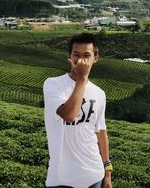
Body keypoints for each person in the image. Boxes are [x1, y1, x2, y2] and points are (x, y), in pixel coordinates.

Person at [43, 32, 112, 188]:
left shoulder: (99, 93)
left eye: (87, 55)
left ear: (96, 58)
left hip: (94, 176)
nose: (81, 60)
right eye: (76, 55)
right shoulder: (53, 85)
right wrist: (82, 79)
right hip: (61, 179)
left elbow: (101, 132)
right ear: (69, 57)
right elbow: (69, 115)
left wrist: (107, 172)